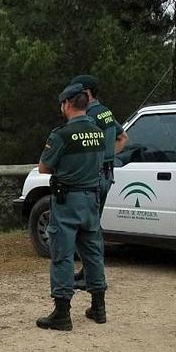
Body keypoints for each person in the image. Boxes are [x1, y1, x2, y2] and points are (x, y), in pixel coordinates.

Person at [36, 83, 108, 331]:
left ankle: (62, 312)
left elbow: (44, 167)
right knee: (93, 253)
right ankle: (99, 307)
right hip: (91, 199)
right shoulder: (98, 132)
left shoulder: (62, 134)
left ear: (66, 104)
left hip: (67, 201)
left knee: (62, 254)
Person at [68, 75, 128, 290]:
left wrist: (93, 161)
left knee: (89, 229)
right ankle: (87, 272)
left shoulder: (90, 115)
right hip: (107, 174)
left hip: (93, 177)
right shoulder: (105, 111)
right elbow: (123, 137)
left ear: (85, 92)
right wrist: (107, 157)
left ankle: (92, 277)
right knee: (92, 226)